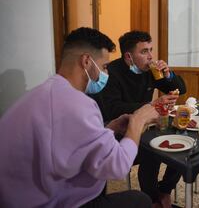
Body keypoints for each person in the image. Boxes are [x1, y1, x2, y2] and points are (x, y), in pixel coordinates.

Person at [0, 27, 159, 208]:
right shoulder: (77, 103)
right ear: (86, 61)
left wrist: (110, 128)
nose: (106, 74)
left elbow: (66, 139)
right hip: (47, 202)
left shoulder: (41, 93)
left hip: (21, 195)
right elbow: (118, 166)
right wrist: (138, 120)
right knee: (140, 200)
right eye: (105, 67)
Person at [96, 31, 186, 208]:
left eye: (151, 50)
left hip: (148, 123)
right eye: (144, 52)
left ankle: (165, 190)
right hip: (120, 128)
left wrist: (169, 76)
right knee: (150, 151)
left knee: (182, 140)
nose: (151, 56)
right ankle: (151, 200)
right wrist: (150, 106)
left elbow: (180, 89)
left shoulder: (150, 70)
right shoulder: (112, 73)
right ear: (129, 56)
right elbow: (112, 109)